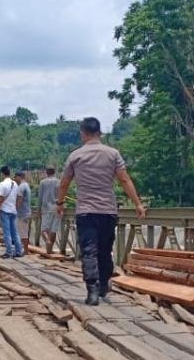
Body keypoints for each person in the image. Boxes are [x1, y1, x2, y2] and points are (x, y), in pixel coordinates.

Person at [57, 117, 146, 306]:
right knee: (105, 251)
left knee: (89, 251)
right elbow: (124, 180)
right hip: (108, 211)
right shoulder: (113, 154)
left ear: (83, 133)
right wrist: (137, 203)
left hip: (86, 212)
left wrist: (60, 202)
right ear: (100, 132)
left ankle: (92, 291)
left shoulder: (76, 156)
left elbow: (64, 183)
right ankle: (104, 284)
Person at [0, 165, 23, 258]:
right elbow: (19, 197)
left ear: (2, 173)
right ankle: (19, 251)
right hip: (13, 210)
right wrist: (15, 206)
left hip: (5, 210)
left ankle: (9, 252)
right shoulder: (14, 184)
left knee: (6, 232)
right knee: (14, 232)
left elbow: (0, 198)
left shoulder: (2, 184)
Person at [37, 167, 60, 254]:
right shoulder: (58, 181)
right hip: (56, 207)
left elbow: (40, 197)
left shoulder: (43, 182)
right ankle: (49, 250)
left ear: (46, 172)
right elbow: (61, 195)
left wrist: (39, 210)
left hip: (46, 208)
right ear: (54, 172)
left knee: (44, 230)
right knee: (53, 230)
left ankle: (47, 241)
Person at [15, 171, 32, 253]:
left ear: (19, 177)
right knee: (24, 231)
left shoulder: (21, 187)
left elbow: (19, 200)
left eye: (16, 177)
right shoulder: (27, 185)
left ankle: (25, 250)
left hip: (22, 213)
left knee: (22, 232)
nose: (15, 179)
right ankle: (25, 249)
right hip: (27, 211)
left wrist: (15, 208)